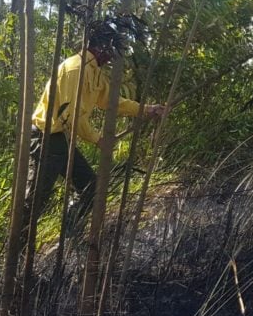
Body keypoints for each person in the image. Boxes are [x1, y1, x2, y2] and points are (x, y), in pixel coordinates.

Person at [25, 24, 164, 235]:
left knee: (91, 187)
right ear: (100, 47)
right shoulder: (75, 69)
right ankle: (18, 247)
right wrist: (98, 139)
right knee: (36, 199)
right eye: (110, 50)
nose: (111, 57)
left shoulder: (94, 72)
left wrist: (146, 110)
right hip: (46, 139)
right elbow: (70, 115)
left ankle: (69, 232)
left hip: (61, 139)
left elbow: (111, 101)